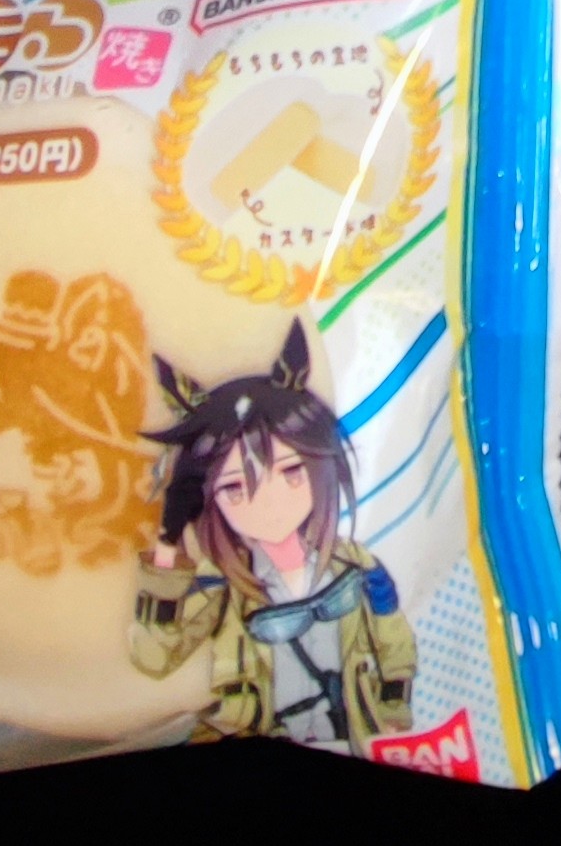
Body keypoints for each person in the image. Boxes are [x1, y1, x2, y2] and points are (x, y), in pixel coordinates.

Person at [129, 321, 415, 749]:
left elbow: (394, 643)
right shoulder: (222, 586)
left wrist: (394, 713)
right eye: (234, 488)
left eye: (291, 472)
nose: (269, 504)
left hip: (354, 737)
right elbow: (154, 658)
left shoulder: (356, 564)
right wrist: (168, 541)